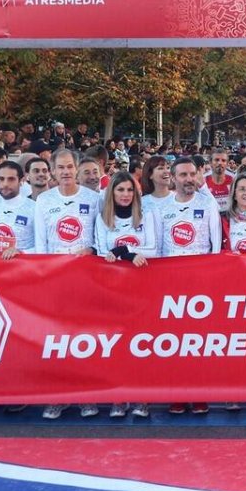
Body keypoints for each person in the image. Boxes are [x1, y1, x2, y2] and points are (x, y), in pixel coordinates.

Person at [34, 149, 104, 420]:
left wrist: (92, 250)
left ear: (77, 168)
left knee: (85, 338)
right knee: (57, 340)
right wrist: (44, 274)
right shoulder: (44, 200)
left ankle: (87, 396)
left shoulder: (93, 198)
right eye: (60, 167)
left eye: (69, 166)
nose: (65, 171)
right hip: (56, 279)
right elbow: (41, 243)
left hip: (87, 278)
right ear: (52, 170)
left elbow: (101, 236)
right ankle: (57, 397)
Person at [157, 157, 221, 416]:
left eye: (192, 174)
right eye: (182, 175)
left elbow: (216, 244)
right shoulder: (162, 208)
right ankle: (177, 393)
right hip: (171, 283)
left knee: (199, 342)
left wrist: (214, 276)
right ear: (173, 178)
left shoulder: (208, 204)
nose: (188, 179)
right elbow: (159, 246)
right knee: (174, 342)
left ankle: (200, 393)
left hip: (202, 282)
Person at [95, 171, 159, 419]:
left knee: (141, 342)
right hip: (112, 288)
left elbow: (154, 248)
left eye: (130, 190)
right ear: (112, 192)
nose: (125, 195)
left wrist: (125, 250)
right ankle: (117, 396)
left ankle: (142, 396)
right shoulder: (102, 218)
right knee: (116, 343)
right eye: (120, 190)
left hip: (142, 286)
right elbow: (102, 251)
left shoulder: (146, 215)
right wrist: (123, 254)